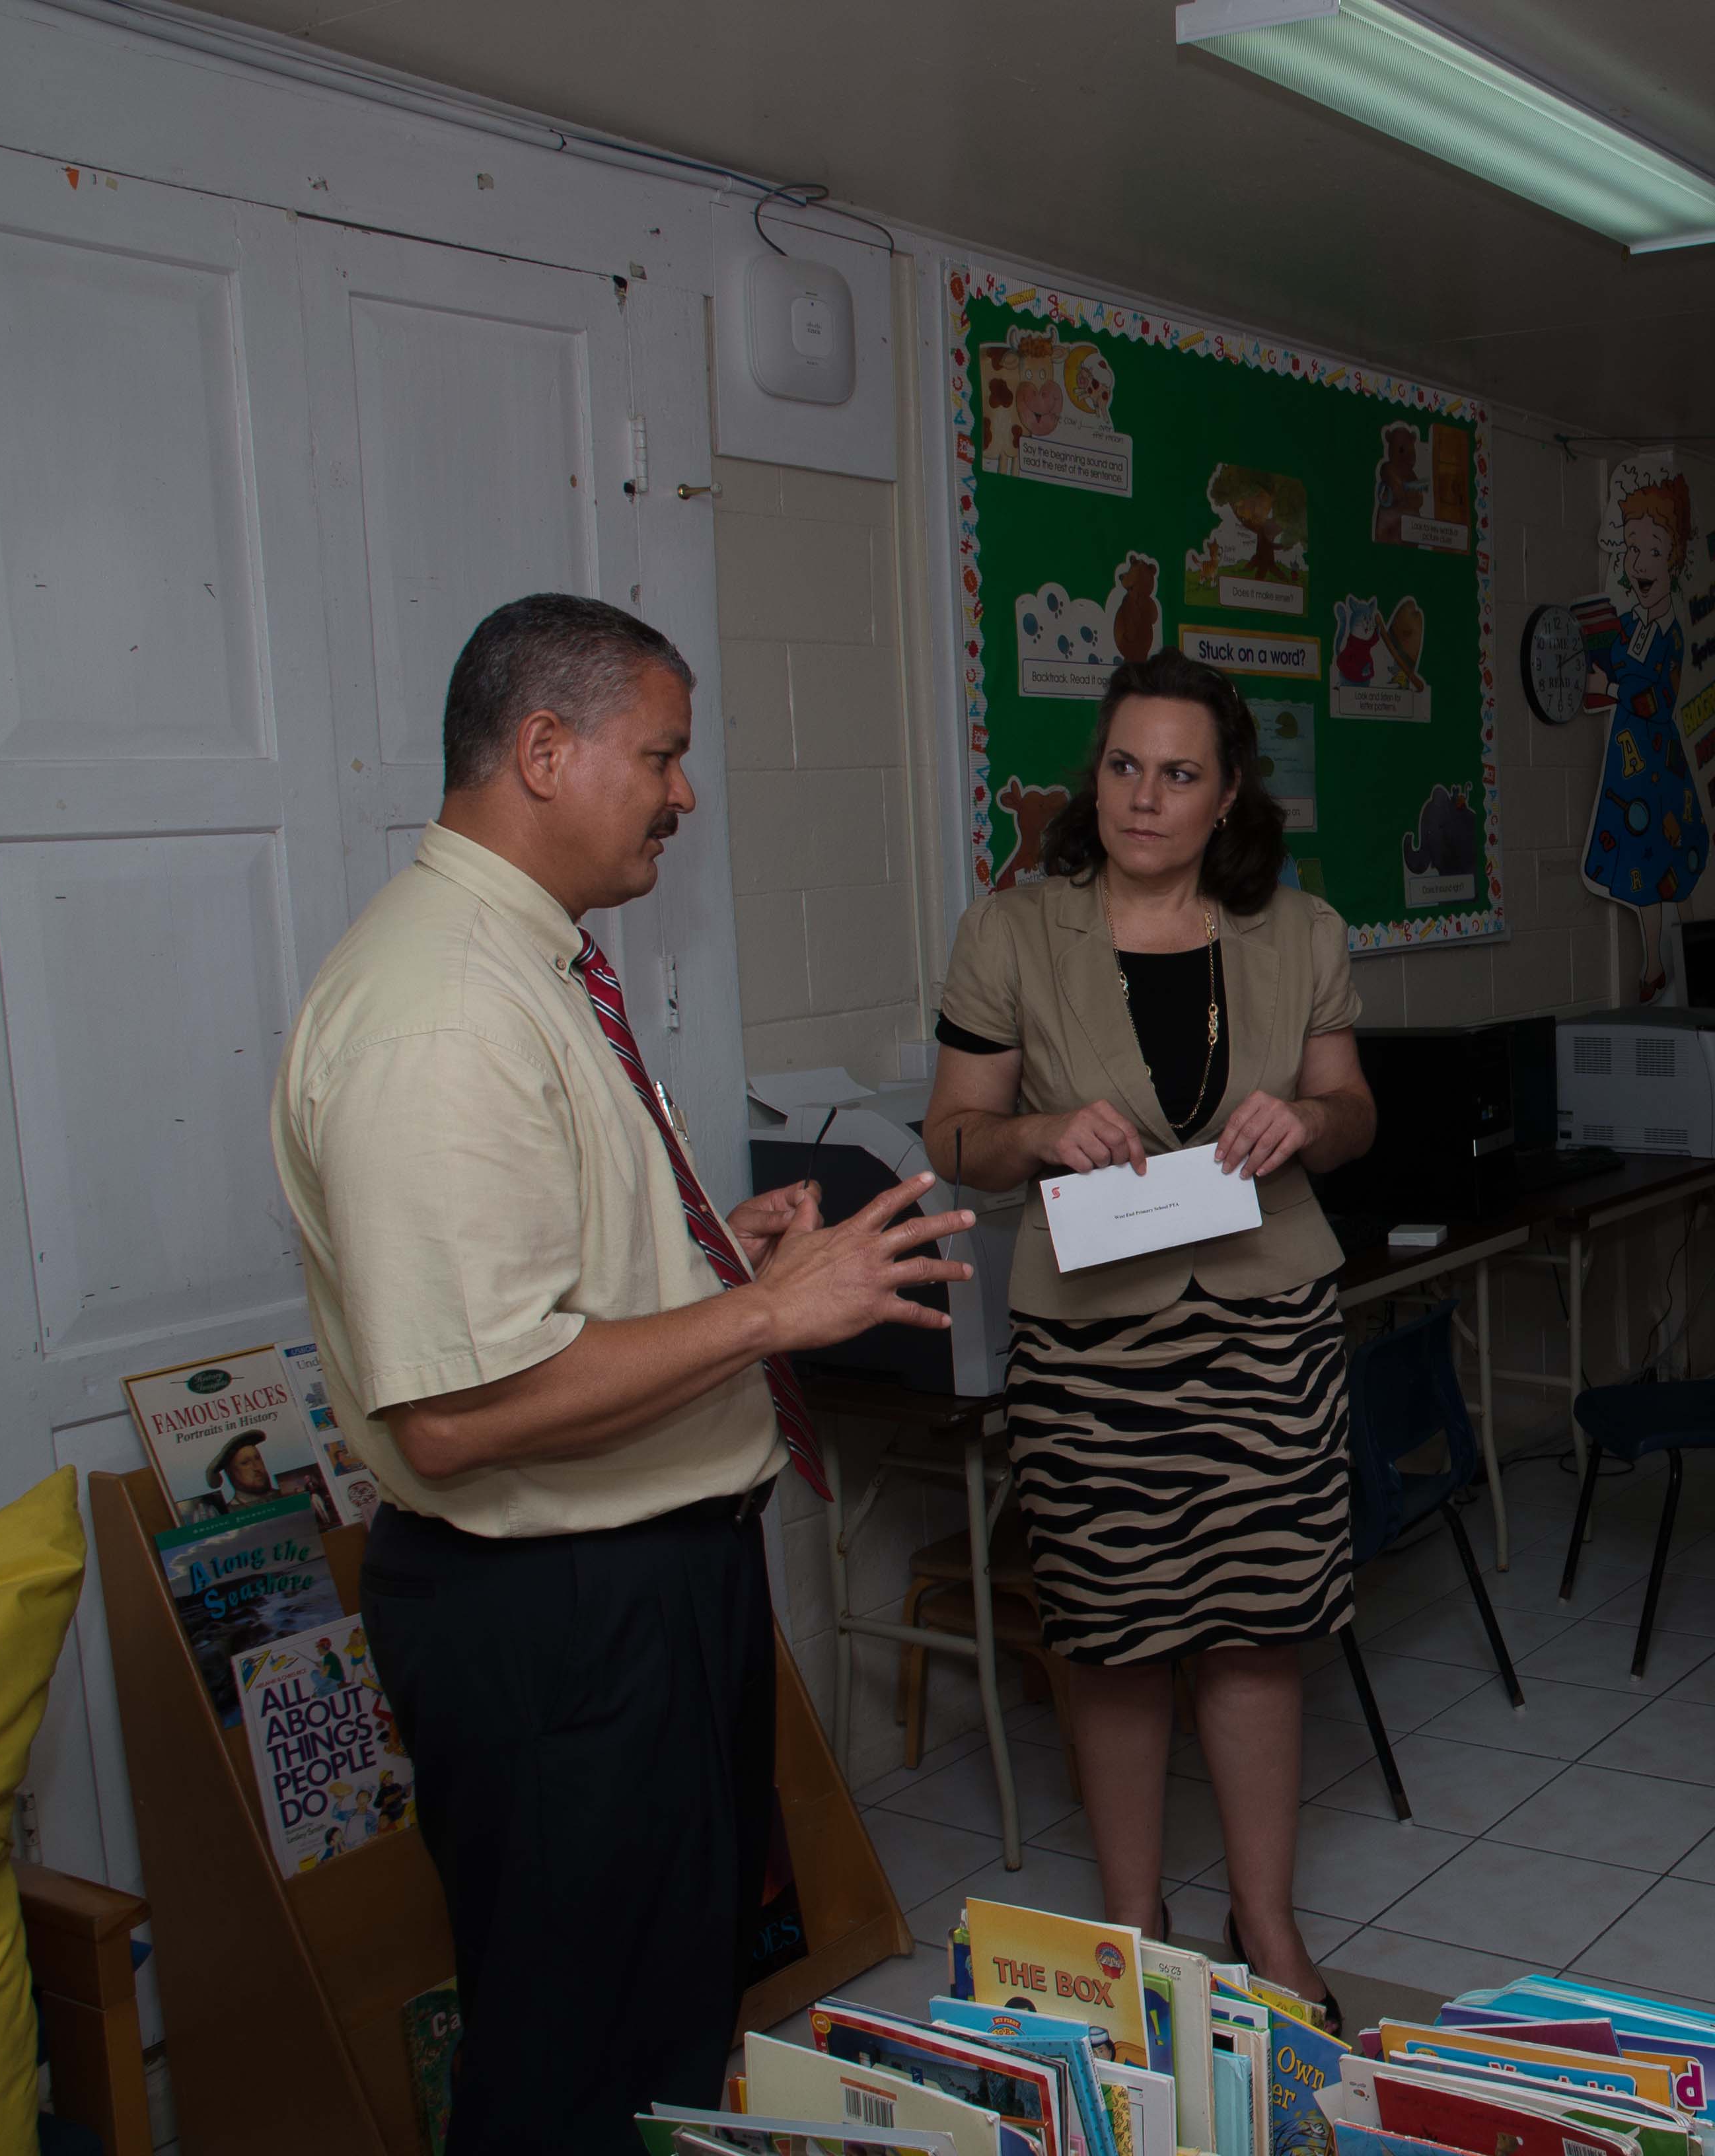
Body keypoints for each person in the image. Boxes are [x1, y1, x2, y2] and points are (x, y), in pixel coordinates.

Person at [273, 593, 974, 2151]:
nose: (684, 792)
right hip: (562, 1622)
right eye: (659, 756)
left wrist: (704, 1252)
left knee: (659, 2028)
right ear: (543, 750)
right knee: (574, 2071)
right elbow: (456, 1415)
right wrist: (765, 1317)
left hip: (644, 1591)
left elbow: (532, 1285)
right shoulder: (439, 1010)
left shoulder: (530, 964)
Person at [924, 649, 1375, 2017]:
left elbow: (1353, 1114)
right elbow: (953, 1137)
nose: (1143, 797)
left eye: (1180, 774)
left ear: (1229, 795)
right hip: (1092, 1344)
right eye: (1124, 765)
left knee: (1257, 1631)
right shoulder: (1014, 932)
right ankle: (1133, 1927)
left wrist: (1312, 1119)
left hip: (1266, 1324)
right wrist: (1038, 1133)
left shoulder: (1301, 932)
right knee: (1113, 1637)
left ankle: (1265, 1922)